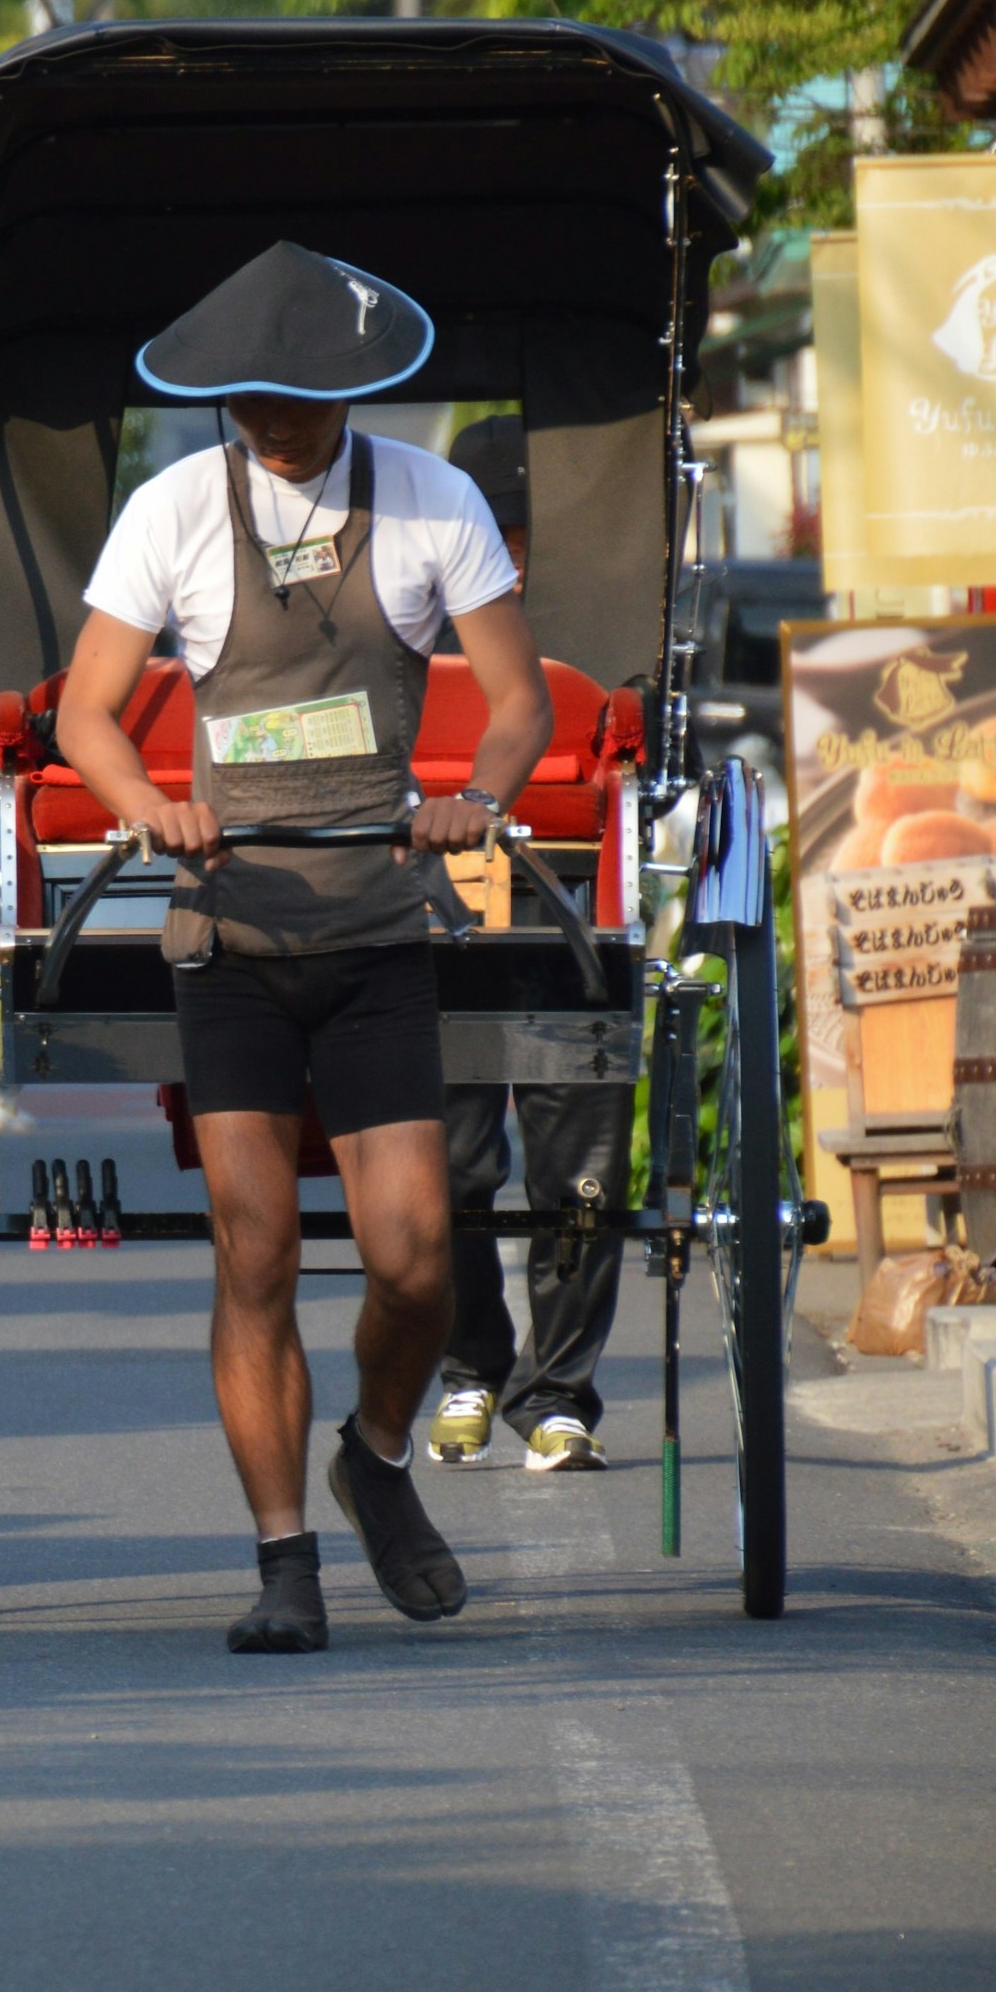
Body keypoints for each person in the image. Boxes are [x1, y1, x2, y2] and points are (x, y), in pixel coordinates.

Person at [51, 242, 553, 1654]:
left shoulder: (432, 499)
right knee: (254, 1250)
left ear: (355, 386)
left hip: (380, 918)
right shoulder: (173, 510)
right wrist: (149, 805)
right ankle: (284, 1560)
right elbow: (90, 711)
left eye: (307, 399)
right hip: (230, 924)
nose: (280, 424)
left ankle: (375, 1457)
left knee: (413, 1254)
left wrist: (480, 796)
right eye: (256, 401)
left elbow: (515, 701)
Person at [427, 414, 627, 1471]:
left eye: (520, 529)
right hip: (436, 912)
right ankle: (469, 1367)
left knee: (576, 1175)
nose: (505, 552)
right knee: (449, 1169)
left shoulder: (598, 626)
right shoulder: (415, 618)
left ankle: (561, 1393)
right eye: (490, 527)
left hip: (571, 915)